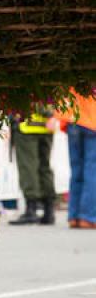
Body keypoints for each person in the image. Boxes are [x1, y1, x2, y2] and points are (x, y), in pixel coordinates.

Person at [54, 91, 96, 229]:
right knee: (91, 169)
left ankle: (74, 216)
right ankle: (88, 216)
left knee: (76, 169)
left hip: (73, 117)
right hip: (92, 118)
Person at [9, 108, 56, 226]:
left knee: (28, 168)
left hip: (27, 125)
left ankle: (31, 209)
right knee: (44, 167)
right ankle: (48, 211)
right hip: (46, 126)